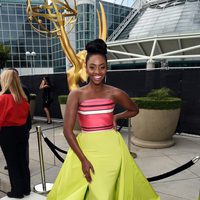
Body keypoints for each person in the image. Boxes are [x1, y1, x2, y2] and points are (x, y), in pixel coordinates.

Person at [47, 39, 160, 200]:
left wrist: (116, 116)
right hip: (85, 150)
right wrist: (84, 160)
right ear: (86, 68)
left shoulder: (115, 93)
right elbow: (67, 131)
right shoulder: (76, 94)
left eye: (102, 67)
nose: (97, 72)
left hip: (111, 149)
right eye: (92, 67)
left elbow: (134, 110)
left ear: (107, 68)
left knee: (105, 193)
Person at [0, 69, 30, 198]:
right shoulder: (23, 99)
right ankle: (26, 188)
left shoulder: (2, 99)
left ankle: (17, 191)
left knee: (12, 163)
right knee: (22, 161)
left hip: (7, 133)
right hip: (22, 132)